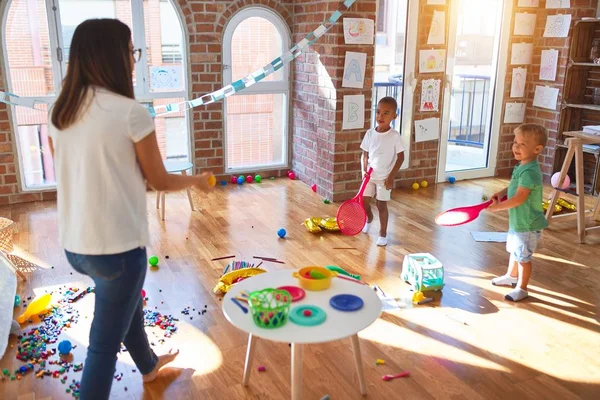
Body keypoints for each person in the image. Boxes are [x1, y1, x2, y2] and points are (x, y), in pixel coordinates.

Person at [47, 19, 213, 399]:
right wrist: (197, 181)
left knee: (124, 301)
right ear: (111, 57)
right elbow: (160, 180)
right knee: (103, 346)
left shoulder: (61, 113)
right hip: (117, 249)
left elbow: (79, 175)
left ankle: (149, 366)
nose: (133, 60)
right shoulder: (129, 112)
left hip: (76, 246)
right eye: (130, 51)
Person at [487, 123, 548, 302]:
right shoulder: (521, 167)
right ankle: (511, 276)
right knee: (515, 251)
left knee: (523, 257)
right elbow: (515, 187)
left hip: (527, 224)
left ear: (537, 149)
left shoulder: (531, 172)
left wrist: (498, 207)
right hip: (518, 221)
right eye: (515, 142)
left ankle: (522, 288)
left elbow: (520, 197)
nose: (516, 147)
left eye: (522, 144)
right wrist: (502, 193)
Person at [360, 96, 405, 246]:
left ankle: (383, 233)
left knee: (381, 205)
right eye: (378, 112)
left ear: (394, 116)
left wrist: (391, 177)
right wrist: (363, 170)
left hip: (384, 178)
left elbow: (400, 158)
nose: (380, 116)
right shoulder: (370, 134)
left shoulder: (394, 136)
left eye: (386, 113)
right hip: (369, 176)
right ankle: (369, 218)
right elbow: (365, 154)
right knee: (364, 201)